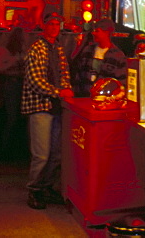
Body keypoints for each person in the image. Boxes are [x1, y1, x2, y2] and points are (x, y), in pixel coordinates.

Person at [21, 12, 75, 210]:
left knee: (56, 153)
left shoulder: (58, 48)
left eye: (57, 24)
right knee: (42, 154)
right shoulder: (36, 48)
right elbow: (35, 82)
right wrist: (60, 91)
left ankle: (46, 187)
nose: (54, 27)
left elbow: (64, 72)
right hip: (40, 106)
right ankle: (34, 190)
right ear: (43, 26)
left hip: (56, 106)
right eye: (50, 23)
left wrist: (65, 90)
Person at [69, 17, 128, 97]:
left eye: (97, 31)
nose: (94, 33)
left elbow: (121, 82)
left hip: (104, 100)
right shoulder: (87, 51)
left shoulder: (118, 55)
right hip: (84, 99)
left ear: (106, 33)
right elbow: (78, 76)